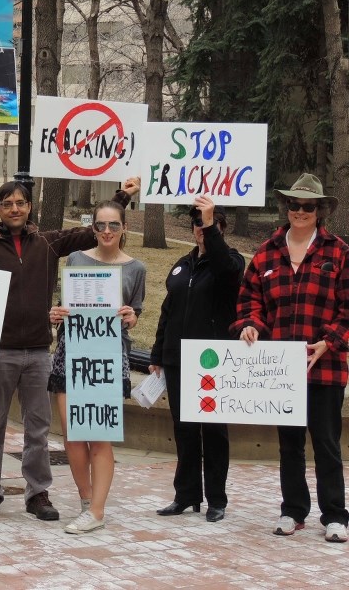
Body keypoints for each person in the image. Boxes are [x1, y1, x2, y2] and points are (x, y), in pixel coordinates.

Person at [0, 178, 140, 522]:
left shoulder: (48, 243)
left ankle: (38, 494)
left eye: (21, 203)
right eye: (8, 204)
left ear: (29, 207)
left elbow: (97, 227)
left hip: (38, 352)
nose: (15, 209)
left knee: (38, 428)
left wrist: (122, 196)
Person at [230, 173, 349, 543]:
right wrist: (250, 324)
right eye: (294, 205)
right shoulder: (266, 252)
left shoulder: (338, 252)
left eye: (307, 206)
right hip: (279, 370)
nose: (299, 211)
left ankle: (335, 515)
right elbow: (251, 300)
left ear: (319, 211)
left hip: (324, 367)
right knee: (289, 444)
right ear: (286, 207)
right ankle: (293, 510)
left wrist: (329, 342)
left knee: (327, 442)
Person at [48, 199, 146, 533]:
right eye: (100, 225)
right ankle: (86, 502)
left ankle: (98, 511)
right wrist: (56, 312)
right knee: (73, 435)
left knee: (99, 437)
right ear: (93, 229)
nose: (106, 231)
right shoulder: (75, 259)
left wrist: (131, 317)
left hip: (107, 358)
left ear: (124, 228)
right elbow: (67, 305)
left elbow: (135, 314)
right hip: (70, 354)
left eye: (113, 225)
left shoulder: (136, 269)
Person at [149, 196, 245, 523]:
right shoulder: (182, 264)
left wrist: (211, 229)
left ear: (220, 228)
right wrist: (158, 353)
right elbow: (168, 310)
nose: (201, 229)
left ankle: (216, 498)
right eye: (197, 223)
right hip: (178, 359)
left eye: (208, 223)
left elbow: (225, 269)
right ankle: (186, 494)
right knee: (184, 429)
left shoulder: (230, 261)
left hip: (212, 360)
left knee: (214, 431)